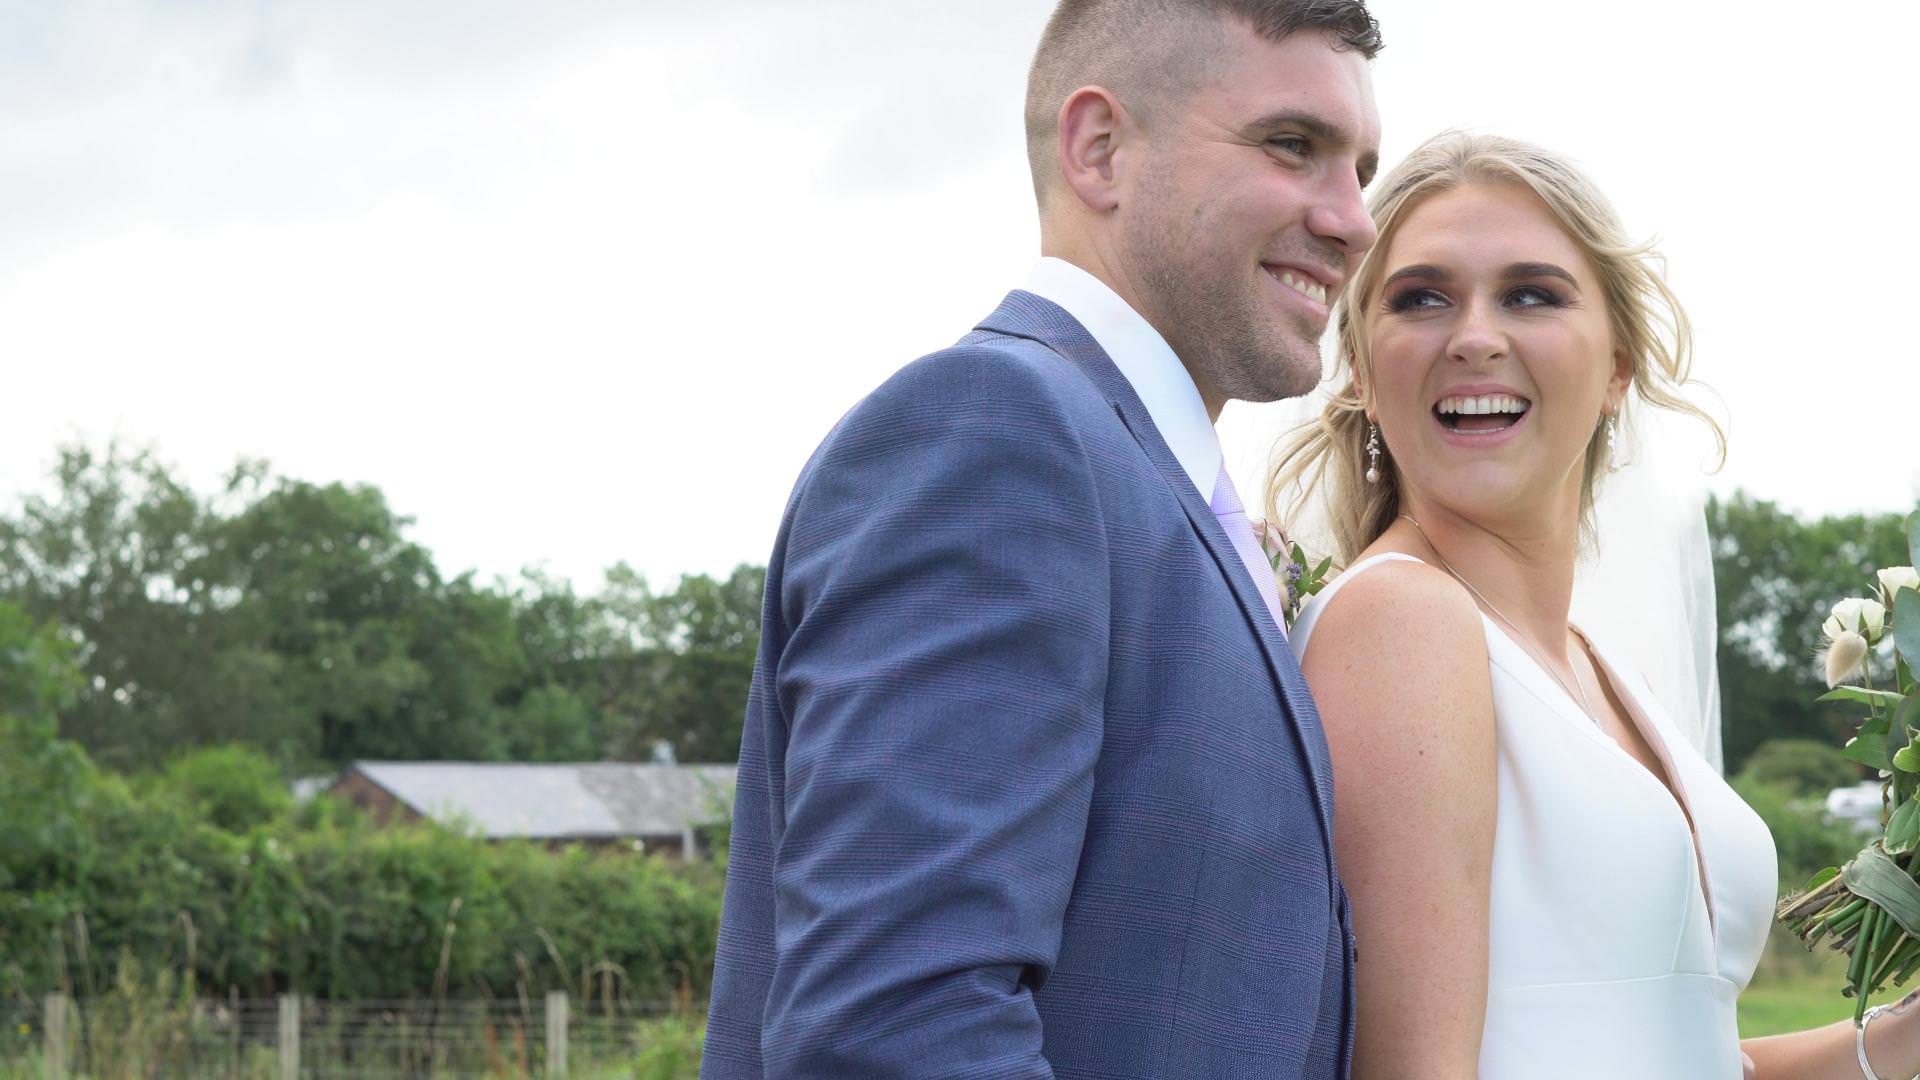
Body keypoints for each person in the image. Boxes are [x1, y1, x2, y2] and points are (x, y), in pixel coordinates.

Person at [701, 1, 1383, 1075]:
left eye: (1362, 171)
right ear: (1099, 149)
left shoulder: (1150, 485)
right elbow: (896, 1033)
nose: (1353, 221)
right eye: (1293, 146)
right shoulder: (997, 431)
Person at [1269, 130, 1920, 1079]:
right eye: (1422, 299)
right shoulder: (1400, 622)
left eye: (1531, 293)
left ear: (1618, 363)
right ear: (1364, 371)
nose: (1476, 335)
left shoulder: (1595, 666)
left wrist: (1894, 1044)